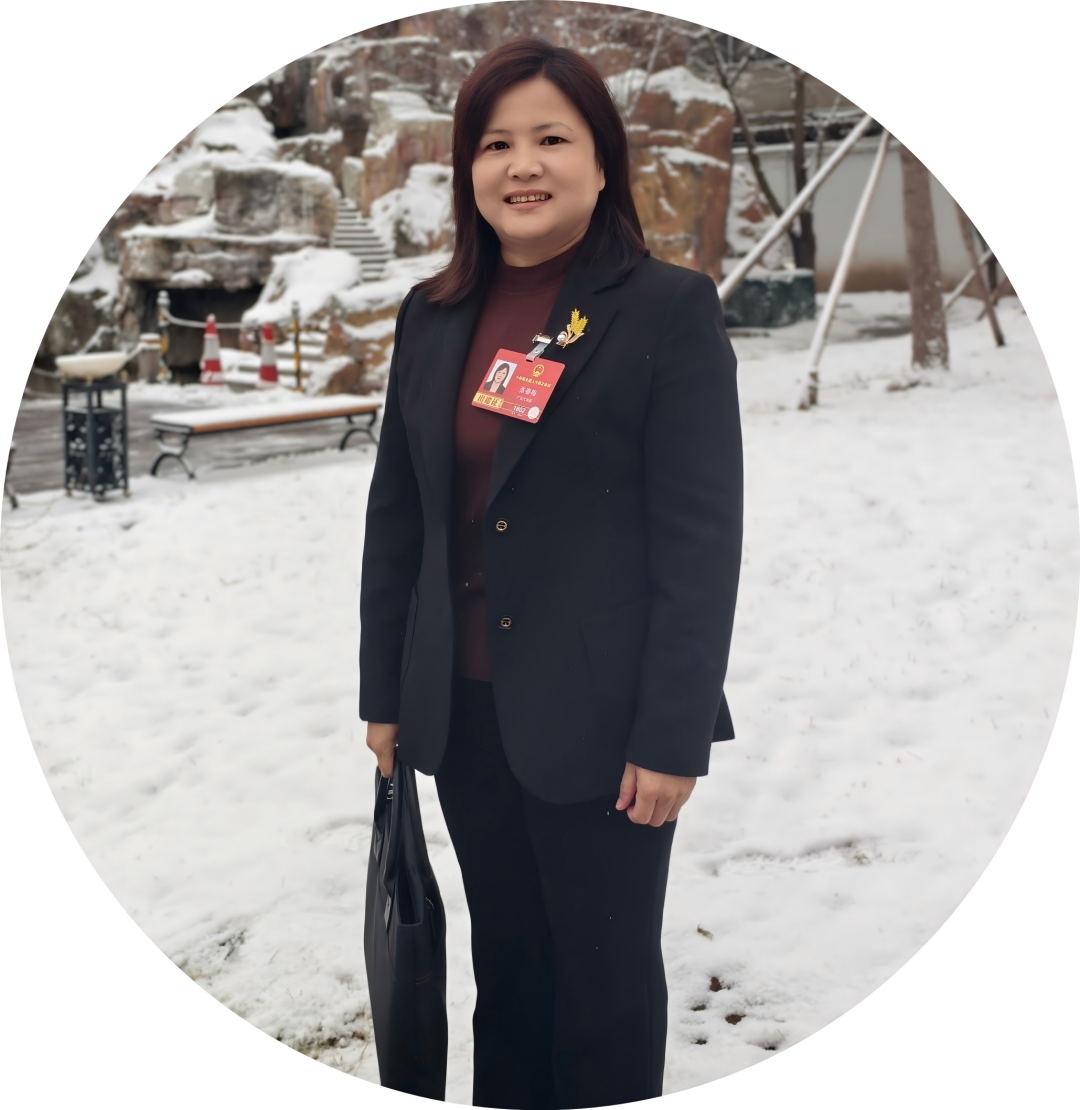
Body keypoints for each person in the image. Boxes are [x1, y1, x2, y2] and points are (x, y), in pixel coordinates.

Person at [360, 37, 742, 1110]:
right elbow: (398, 517)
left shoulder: (665, 308)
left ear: (601, 160)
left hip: (608, 728)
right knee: (510, 972)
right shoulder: (432, 314)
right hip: (463, 713)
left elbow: (701, 541)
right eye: (495, 144)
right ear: (468, 169)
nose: (521, 165)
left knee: (604, 990)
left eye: (550, 139)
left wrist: (671, 735)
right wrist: (385, 694)